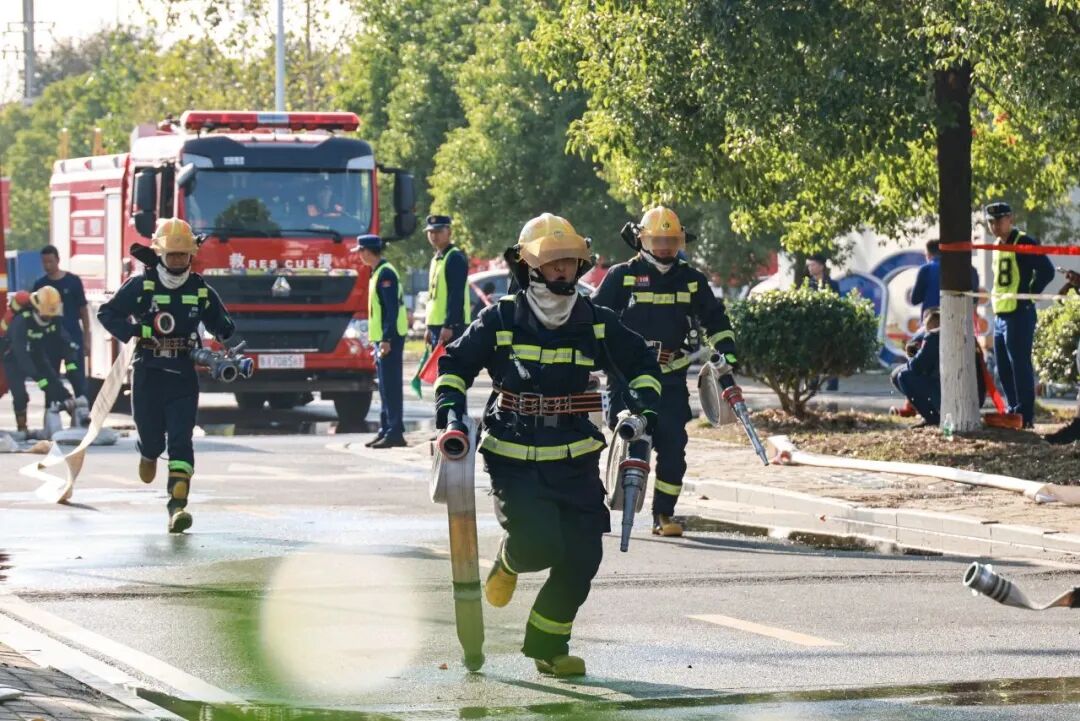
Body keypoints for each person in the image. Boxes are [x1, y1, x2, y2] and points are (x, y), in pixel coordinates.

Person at [435, 213, 662, 678]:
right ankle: (510, 559)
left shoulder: (595, 320)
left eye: (570, 261)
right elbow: (454, 367)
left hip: (575, 457)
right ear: (531, 266)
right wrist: (451, 415)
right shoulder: (500, 318)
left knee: (583, 555)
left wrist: (641, 408)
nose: (563, 269)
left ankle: (548, 648)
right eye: (554, 261)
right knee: (537, 545)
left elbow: (642, 364)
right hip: (513, 457)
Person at [592, 206, 738, 537]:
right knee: (634, 438)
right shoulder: (622, 276)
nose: (664, 248)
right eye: (658, 241)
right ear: (642, 240)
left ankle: (664, 514)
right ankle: (618, 496)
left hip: (670, 377)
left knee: (673, 447)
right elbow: (595, 320)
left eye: (671, 241)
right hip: (627, 378)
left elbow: (715, 319)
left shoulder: (691, 279)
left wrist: (727, 351)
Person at [98, 219, 241, 533]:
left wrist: (225, 333)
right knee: (152, 439)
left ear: (191, 254)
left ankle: (177, 507)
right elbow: (106, 313)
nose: (177, 261)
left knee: (181, 439)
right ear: (160, 254)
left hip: (183, 375)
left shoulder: (200, 289)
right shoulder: (142, 285)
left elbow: (222, 324)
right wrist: (137, 331)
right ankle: (148, 454)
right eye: (172, 255)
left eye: (182, 255)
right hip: (148, 373)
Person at [985, 201, 1055, 428]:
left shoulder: (1023, 242)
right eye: (991, 221)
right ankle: (1013, 410)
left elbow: (1047, 271)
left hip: (1019, 313)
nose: (995, 225)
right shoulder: (996, 245)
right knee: (1003, 367)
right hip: (1000, 314)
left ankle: (1026, 415)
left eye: (999, 220)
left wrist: (1031, 294)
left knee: (1020, 364)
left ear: (1010, 219)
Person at [891, 308, 986, 428]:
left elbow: (916, 367)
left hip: (952, 395)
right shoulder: (967, 336)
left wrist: (914, 355)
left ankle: (932, 417)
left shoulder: (934, 336)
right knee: (900, 373)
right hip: (975, 397)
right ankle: (932, 411)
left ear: (930, 326)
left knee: (903, 376)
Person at [1, 287, 79, 433]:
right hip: (12, 357)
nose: (48, 318)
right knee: (20, 394)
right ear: (37, 309)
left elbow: (64, 340)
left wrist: (71, 361)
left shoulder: (53, 319)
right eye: (46, 315)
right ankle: (22, 427)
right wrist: (38, 378)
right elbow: (20, 353)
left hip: (35, 353)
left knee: (53, 381)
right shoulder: (22, 321)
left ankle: (74, 409)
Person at [354, 233, 407, 449]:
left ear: (368, 251)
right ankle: (386, 429)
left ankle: (395, 432)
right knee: (384, 387)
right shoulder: (377, 272)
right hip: (382, 339)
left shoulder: (386, 274)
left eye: (360, 251)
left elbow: (390, 310)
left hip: (390, 339)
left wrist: (386, 339)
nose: (359, 255)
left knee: (391, 386)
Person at [32, 245, 90, 400]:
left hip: (72, 337)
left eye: (50, 262)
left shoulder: (73, 282)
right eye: (44, 262)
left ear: (58, 260)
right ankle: (51, 408)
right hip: (49, 340)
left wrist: (87, 339)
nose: (47, 266)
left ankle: (82, 407)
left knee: (77, 375)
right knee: (51, 377)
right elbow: (34, 316)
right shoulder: (40, 285)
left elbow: (84, 311)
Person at [424, 215, 470, 348]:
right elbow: (433, 296)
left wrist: (450, 325)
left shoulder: (454, 257)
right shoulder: (436, 259)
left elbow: (456, 294)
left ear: (449, 232)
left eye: (438, 231)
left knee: (450, 361)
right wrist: (428, 326)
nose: (434, 235)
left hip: (451, 326)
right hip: (436, 324)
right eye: (431, 232)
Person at [910, 239, 982, 315]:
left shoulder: (926, 270)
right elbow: (974, 299)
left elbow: (915, 300)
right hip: (960, 318)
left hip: (932, 318)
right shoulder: (971, 270)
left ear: (929, 255)